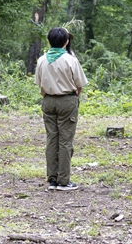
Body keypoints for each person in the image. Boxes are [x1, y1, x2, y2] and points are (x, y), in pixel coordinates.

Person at [35, 27, 88, 191]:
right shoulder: (70, 60)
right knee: (65, 141)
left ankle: (52, 179)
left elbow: (39, 83)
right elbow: (79, 84)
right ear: (66, 42)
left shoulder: (42, 60)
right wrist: (73, 97)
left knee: (52, 139)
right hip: (67, 100)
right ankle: (63, 180)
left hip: (48, 101)